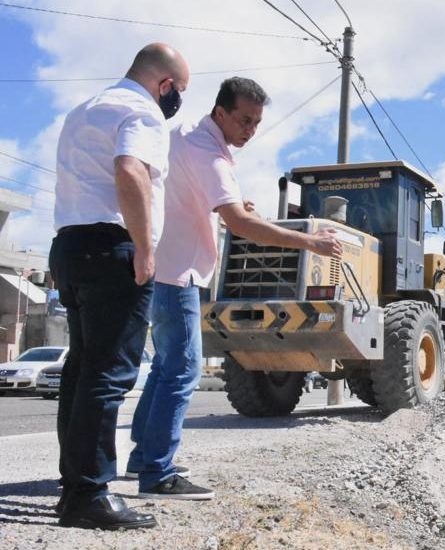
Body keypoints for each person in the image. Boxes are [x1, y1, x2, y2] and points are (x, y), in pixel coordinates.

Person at [127, 77, 342, 500]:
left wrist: (232, 205)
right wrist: (311, 243)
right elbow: (240, 226)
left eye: (258, 122)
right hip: (179, 272)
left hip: (160, 263)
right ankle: (157, 473)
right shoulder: (211, 154)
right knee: (183, 369)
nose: (251, 130)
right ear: (221, 112)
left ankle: (142, 455)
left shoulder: (182, 134)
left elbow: (186, 193)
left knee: (165, 366)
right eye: (244, 120)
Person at [49, 43, 189, 530]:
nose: (177, 103)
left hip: (69, 246)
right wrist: (146, 248)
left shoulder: (85, 109)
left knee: (82, 371)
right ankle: (89, 494)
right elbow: (130, 169)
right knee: (107, 375)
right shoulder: (142, 111)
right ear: (164, 84)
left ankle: (75, 490)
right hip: (113, 249)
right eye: (180, 92)